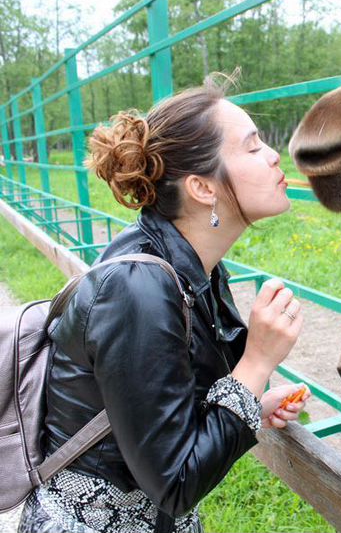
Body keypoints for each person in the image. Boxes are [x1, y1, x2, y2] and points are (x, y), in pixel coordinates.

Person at [18, 75, 309, 533]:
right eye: (253, 147)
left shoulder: (196, 266)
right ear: (203, 188)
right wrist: (255, 366)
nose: (275, 156)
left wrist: (253, 401)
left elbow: (166, 408)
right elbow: (175, 483)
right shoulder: (136, 291)